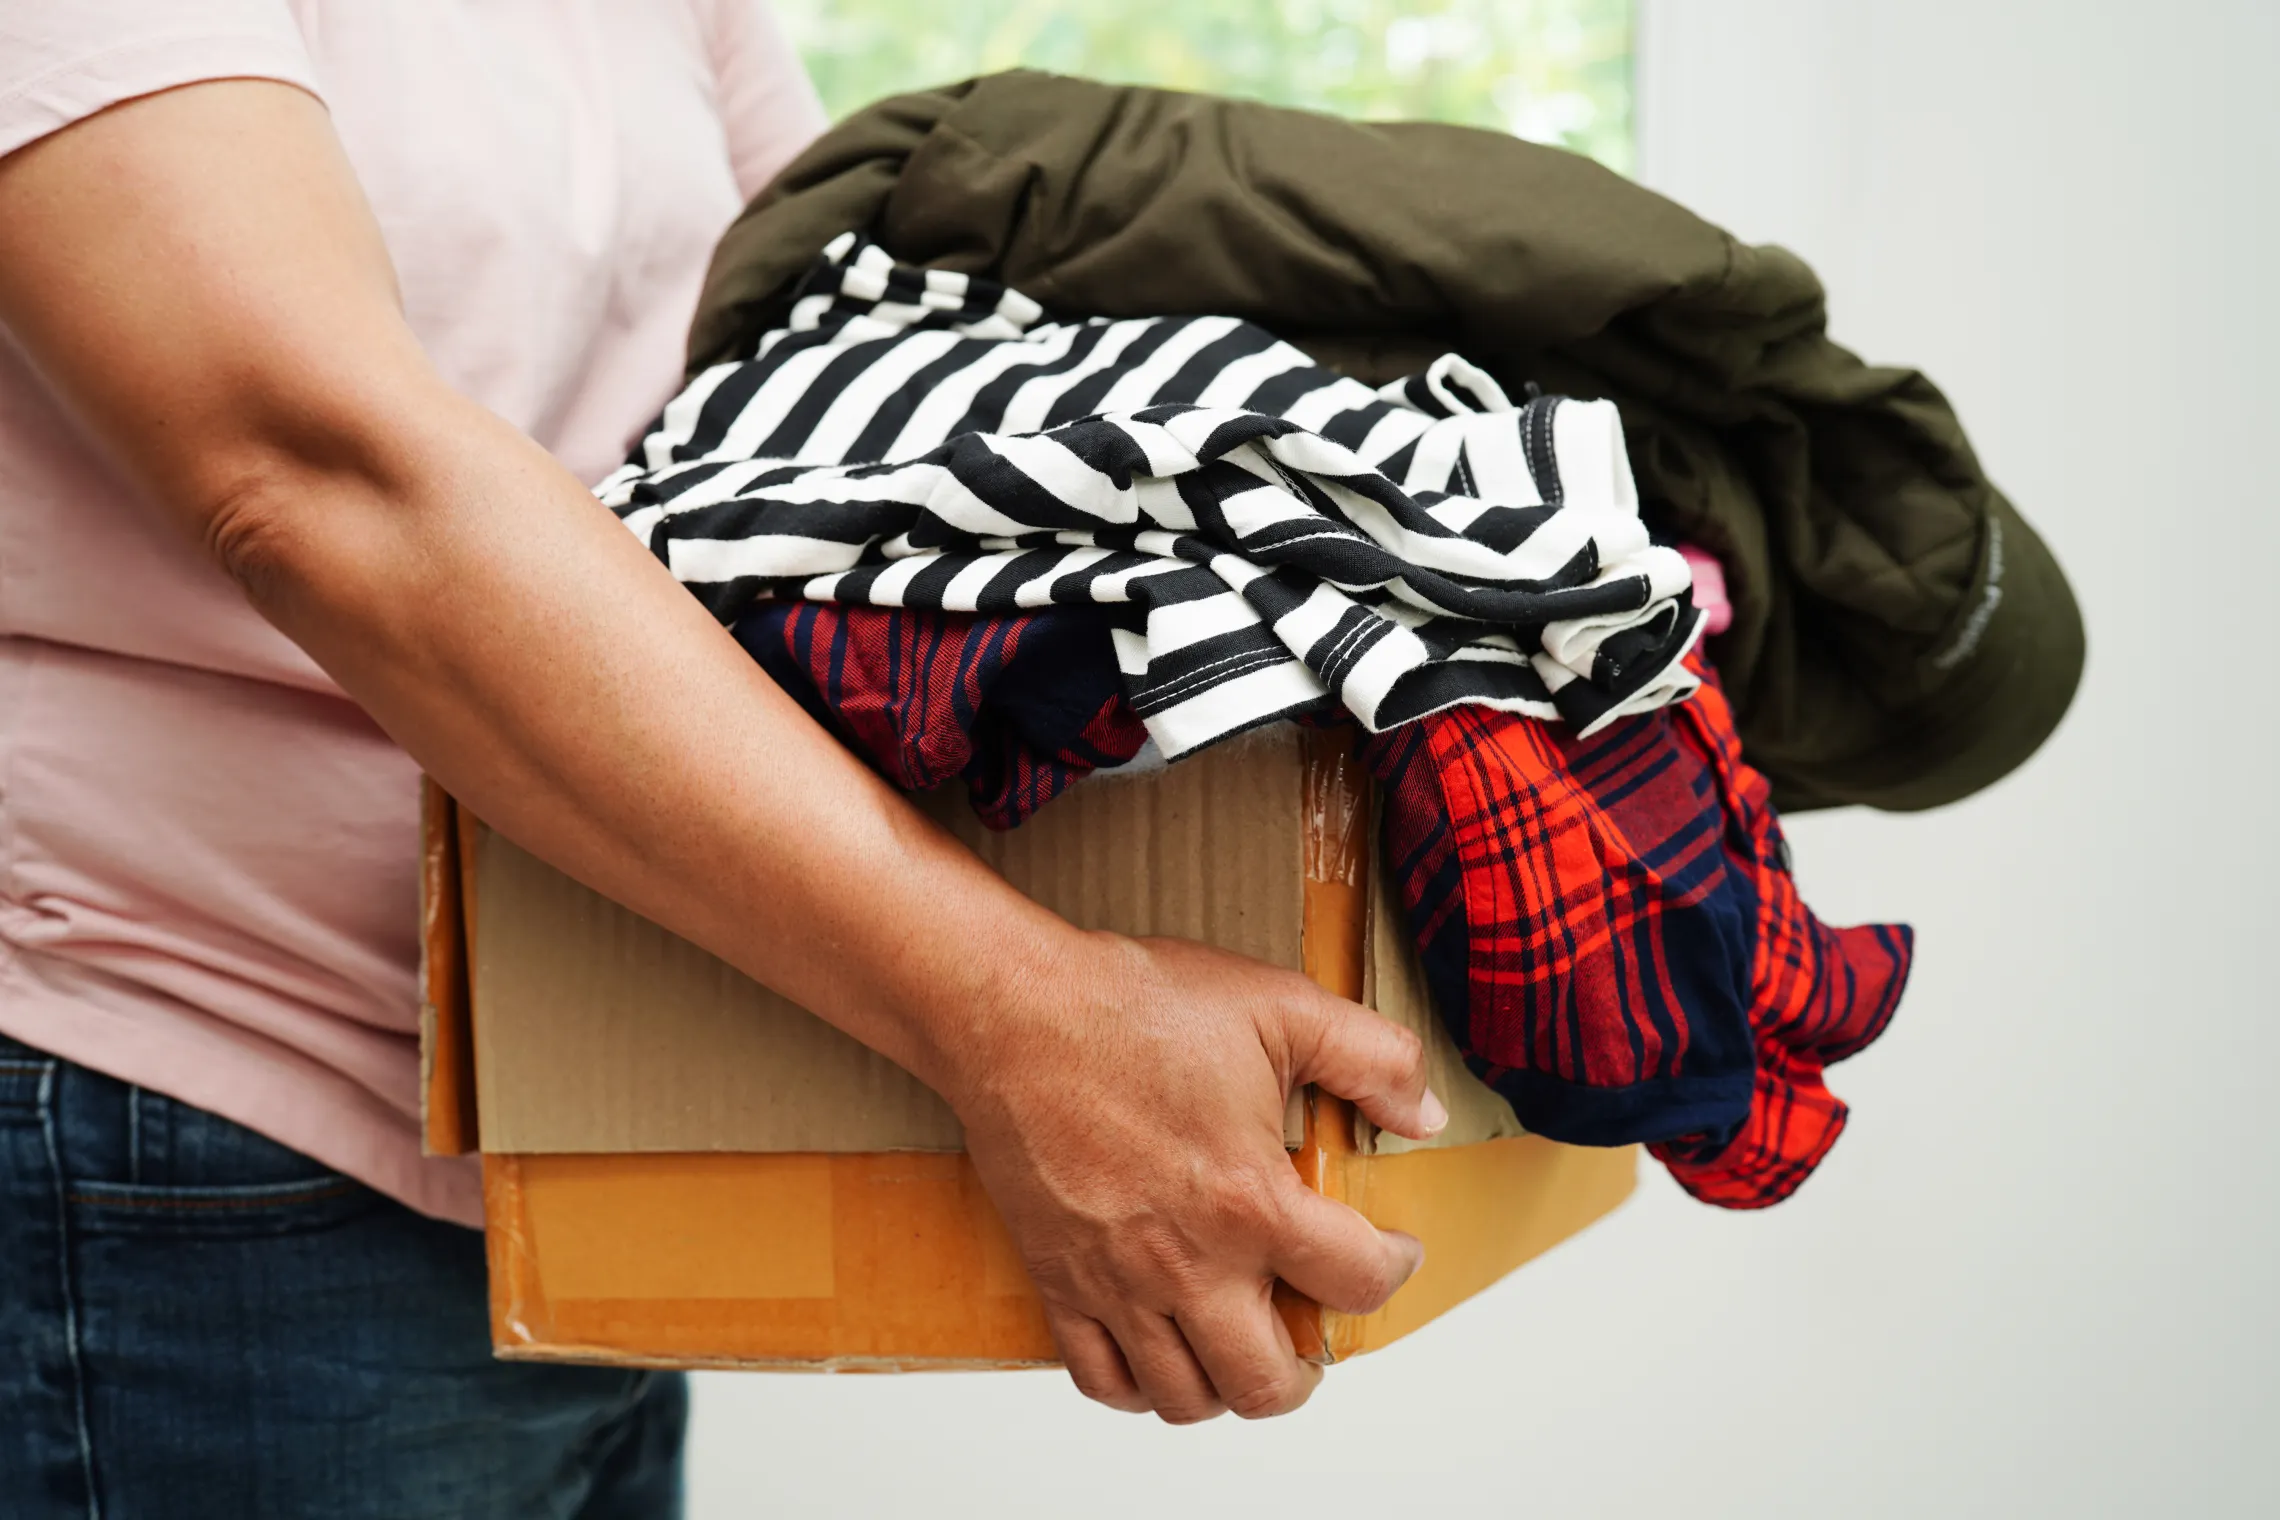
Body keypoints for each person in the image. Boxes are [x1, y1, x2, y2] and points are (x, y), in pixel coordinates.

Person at [0, 4, 1447, 1512]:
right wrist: (1026, 1014)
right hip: (199, 1116)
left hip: (592, 1077)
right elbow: (310, 475)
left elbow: (819, 355)